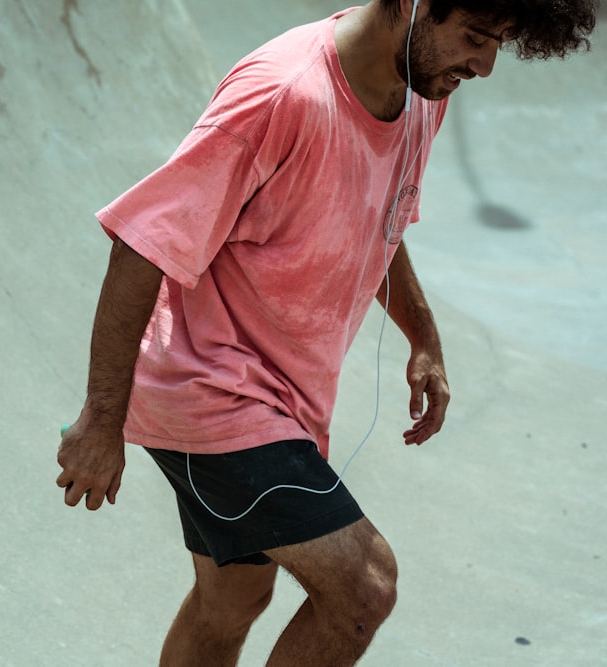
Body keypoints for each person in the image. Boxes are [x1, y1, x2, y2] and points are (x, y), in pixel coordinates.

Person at [55, 0, 597, 664]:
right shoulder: (282, 94)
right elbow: (143, 242)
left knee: (232, 600)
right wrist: (100, 418)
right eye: (476, 38)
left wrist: (423, 335)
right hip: (212, 392)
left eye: (499, 45)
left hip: (280, 402)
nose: (484, 66)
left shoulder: (422, 91)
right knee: (365, 584)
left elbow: (378, 213)